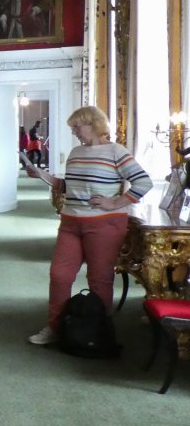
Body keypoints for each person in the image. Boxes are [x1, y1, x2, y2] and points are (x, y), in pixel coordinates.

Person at [26, 106, 152, 345]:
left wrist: (114, 202)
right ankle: (55, 327)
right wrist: (44, 176)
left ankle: (97, 332)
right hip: (70, 221)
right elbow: (69, 186)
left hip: (105, 223)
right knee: (59, 275)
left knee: (99, 278)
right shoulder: (76, 152)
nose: (74, 131)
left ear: (93, 124)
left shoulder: (116, 152)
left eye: (77, 126)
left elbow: (143, 183)